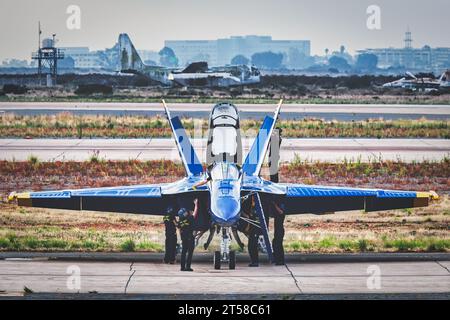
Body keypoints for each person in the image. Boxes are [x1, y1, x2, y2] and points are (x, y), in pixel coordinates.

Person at [177, 198, 199, 271]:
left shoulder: (180, 222)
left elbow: (179, 230)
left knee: (183, 252)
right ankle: (188, 267)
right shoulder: (189, 219)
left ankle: (182, 267)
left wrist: (181, 237)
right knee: (189, 253)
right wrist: (196, 204)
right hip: (190, 238)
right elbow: (195, 214)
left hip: (184, 238)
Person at [271, 200, 286, 265]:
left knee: (278, 244)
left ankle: (281, 260)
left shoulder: (281, 205)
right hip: (277, 229)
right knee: (275, 243)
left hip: (280, 229)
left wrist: (274, 204)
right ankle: (277, 259)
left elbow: (281, 212)